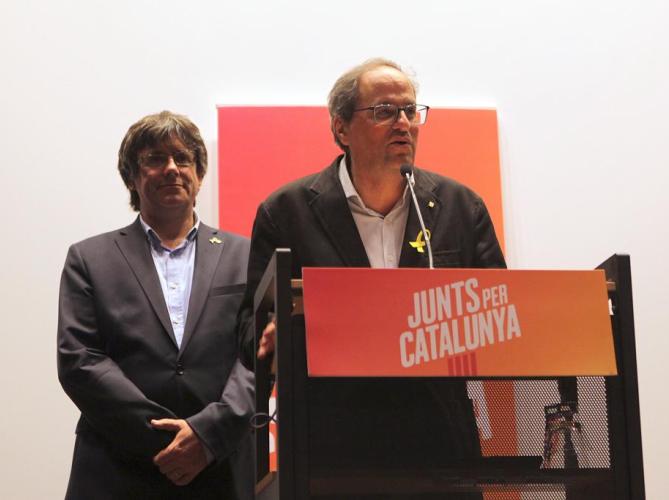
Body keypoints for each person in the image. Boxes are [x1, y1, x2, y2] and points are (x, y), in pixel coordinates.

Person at [239, 59, 506, 498]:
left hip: (441, 447)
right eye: (384, 111)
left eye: (410, 110)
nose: (403, 123)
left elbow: (500, 316)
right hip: (332, 448)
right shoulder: (286, 212)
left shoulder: (461, 207)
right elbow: (249, 331)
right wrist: (273, 336)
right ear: (341, 128)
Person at [58, 111, 254, 499]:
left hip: (220, 468)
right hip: (116, 467)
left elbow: (257, 359)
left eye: (183, 158)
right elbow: (80, 360)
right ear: (132, 176)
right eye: (155, 159)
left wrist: (206, 436)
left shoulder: (245, 255)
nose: (171, 169)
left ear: (199, 174)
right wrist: (169, 439)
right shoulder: (89, 258)